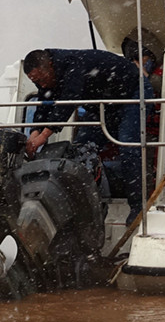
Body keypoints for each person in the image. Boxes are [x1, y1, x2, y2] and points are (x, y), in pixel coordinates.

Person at [22, 48, 146, 220]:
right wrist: (33, 134)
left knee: (129, 147)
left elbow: (69, 100)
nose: (41, 85)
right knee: (80, 150)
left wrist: (44, 136)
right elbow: (45, 103)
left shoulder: (72, 65)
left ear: (50, 65)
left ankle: (138, 207)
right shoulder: (45, 78)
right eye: (36, 82)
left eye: (42, 79)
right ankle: (85, 209)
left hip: (130, 93)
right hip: (102, 104)